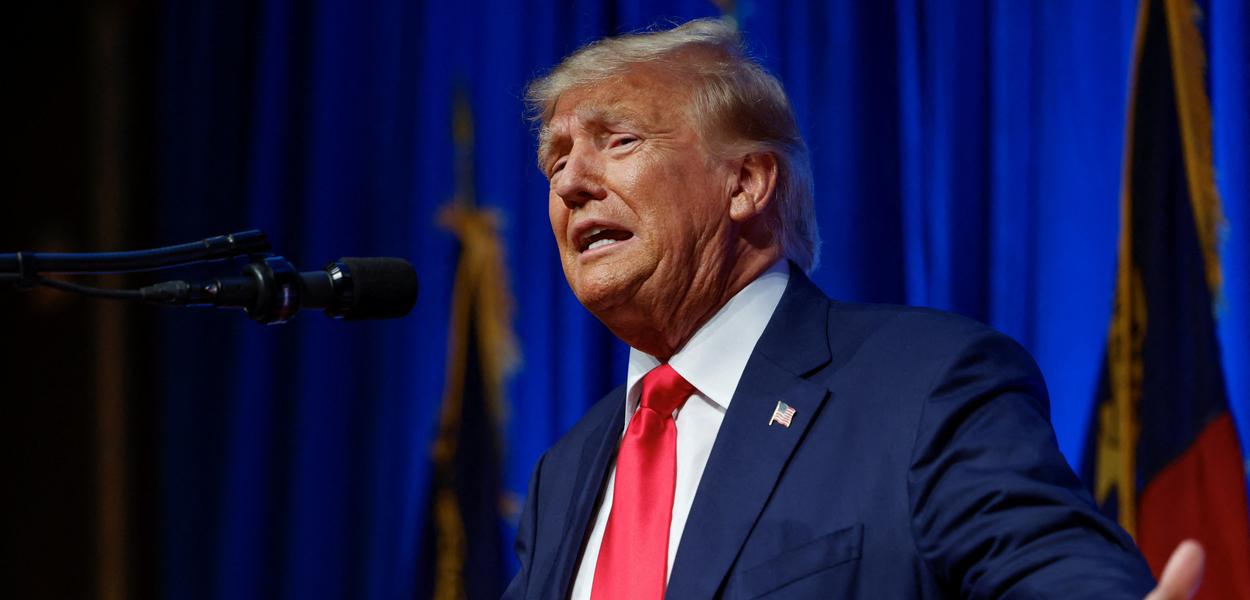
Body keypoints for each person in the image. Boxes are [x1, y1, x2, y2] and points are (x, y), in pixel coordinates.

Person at [503, 18, 1204, 600]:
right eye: (555, 161)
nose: (571, 184)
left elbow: (1047, 569)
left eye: (618, 140)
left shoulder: (922, 385)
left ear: (746, 182)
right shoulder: (564, 473)